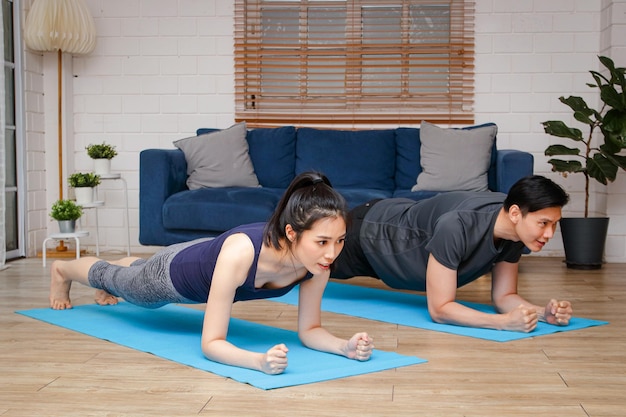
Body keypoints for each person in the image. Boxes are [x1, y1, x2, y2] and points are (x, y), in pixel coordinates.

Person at [49, 171, 373, 375]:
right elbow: (212, 342)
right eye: (322, 241)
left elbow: (311, 329)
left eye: (339, 241)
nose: (332, 253)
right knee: (117, 283)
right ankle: (63, 270)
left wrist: (343, 346)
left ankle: (130, 265)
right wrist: (257, 362)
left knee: (127, 275)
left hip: (206, 253)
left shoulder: (317, 265)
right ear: (291, 233)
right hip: (170, 276)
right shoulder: (242, 254)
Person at [331, 175, 573, 333]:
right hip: (371, 233)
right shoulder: (457, 225)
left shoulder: (515, 232)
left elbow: (504, 296)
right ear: (515, 213)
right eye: (543, 223)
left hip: (395, 240)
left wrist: (541, 313)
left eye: (554, 224)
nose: (550, 233)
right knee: (302, 263)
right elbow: (440, 310)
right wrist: (503, 323)